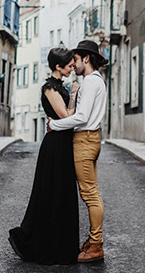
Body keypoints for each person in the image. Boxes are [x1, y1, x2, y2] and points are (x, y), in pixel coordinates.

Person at [8, 47, 81, 265]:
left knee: (62, 195)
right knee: (53, 195)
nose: (72, 68)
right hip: (56, 146)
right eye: (69, 65)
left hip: (62, 142)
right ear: (57, 67)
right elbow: (66, 115)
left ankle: (62, 245)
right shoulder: (50, 88)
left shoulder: (59, 86)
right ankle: (50, 247)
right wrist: (76, 94)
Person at [47, 40, 108, 263]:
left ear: (87, 59)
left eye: (77, 60)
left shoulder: (91, 82)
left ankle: (96, 245)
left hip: (85, 140)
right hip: (90, 139)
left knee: (90, 194)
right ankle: (94, 241)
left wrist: (54, 125)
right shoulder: (93, 81)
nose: (74, 65)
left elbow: (81, 118)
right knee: (91, 192)